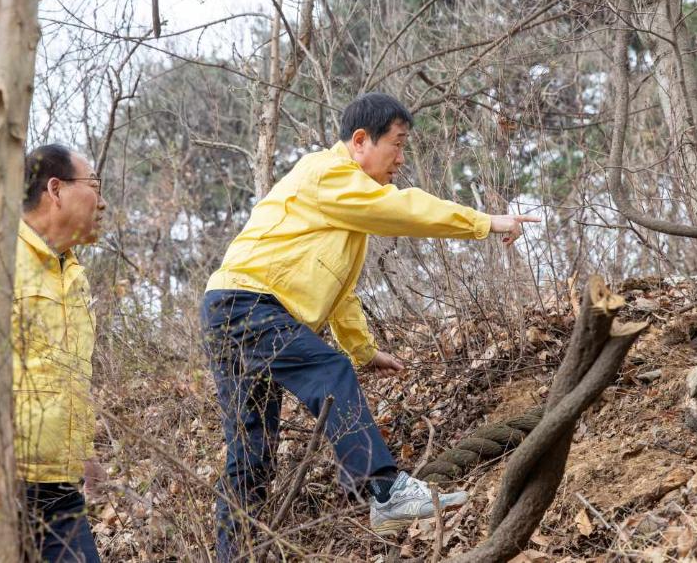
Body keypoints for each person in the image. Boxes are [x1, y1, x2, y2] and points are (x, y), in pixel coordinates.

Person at [200, 92, 541, 559]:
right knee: (327, 373)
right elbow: (405, 211)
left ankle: (231, 555)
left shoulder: (342, 207)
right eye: (397, 144)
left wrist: (363, 351)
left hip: (228, 310)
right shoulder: (327, 174)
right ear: (360, 141)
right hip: (247, 304)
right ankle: (384, 490)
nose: (401, 159)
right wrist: (487, 222)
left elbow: (339, 292)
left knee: (251, 454)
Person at [14, 143, 107, 562]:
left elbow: (66, 375)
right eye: (94, 186)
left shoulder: (73, 275)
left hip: (60, 492)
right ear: (56, 189)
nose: (101, 201)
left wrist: (83, 455)